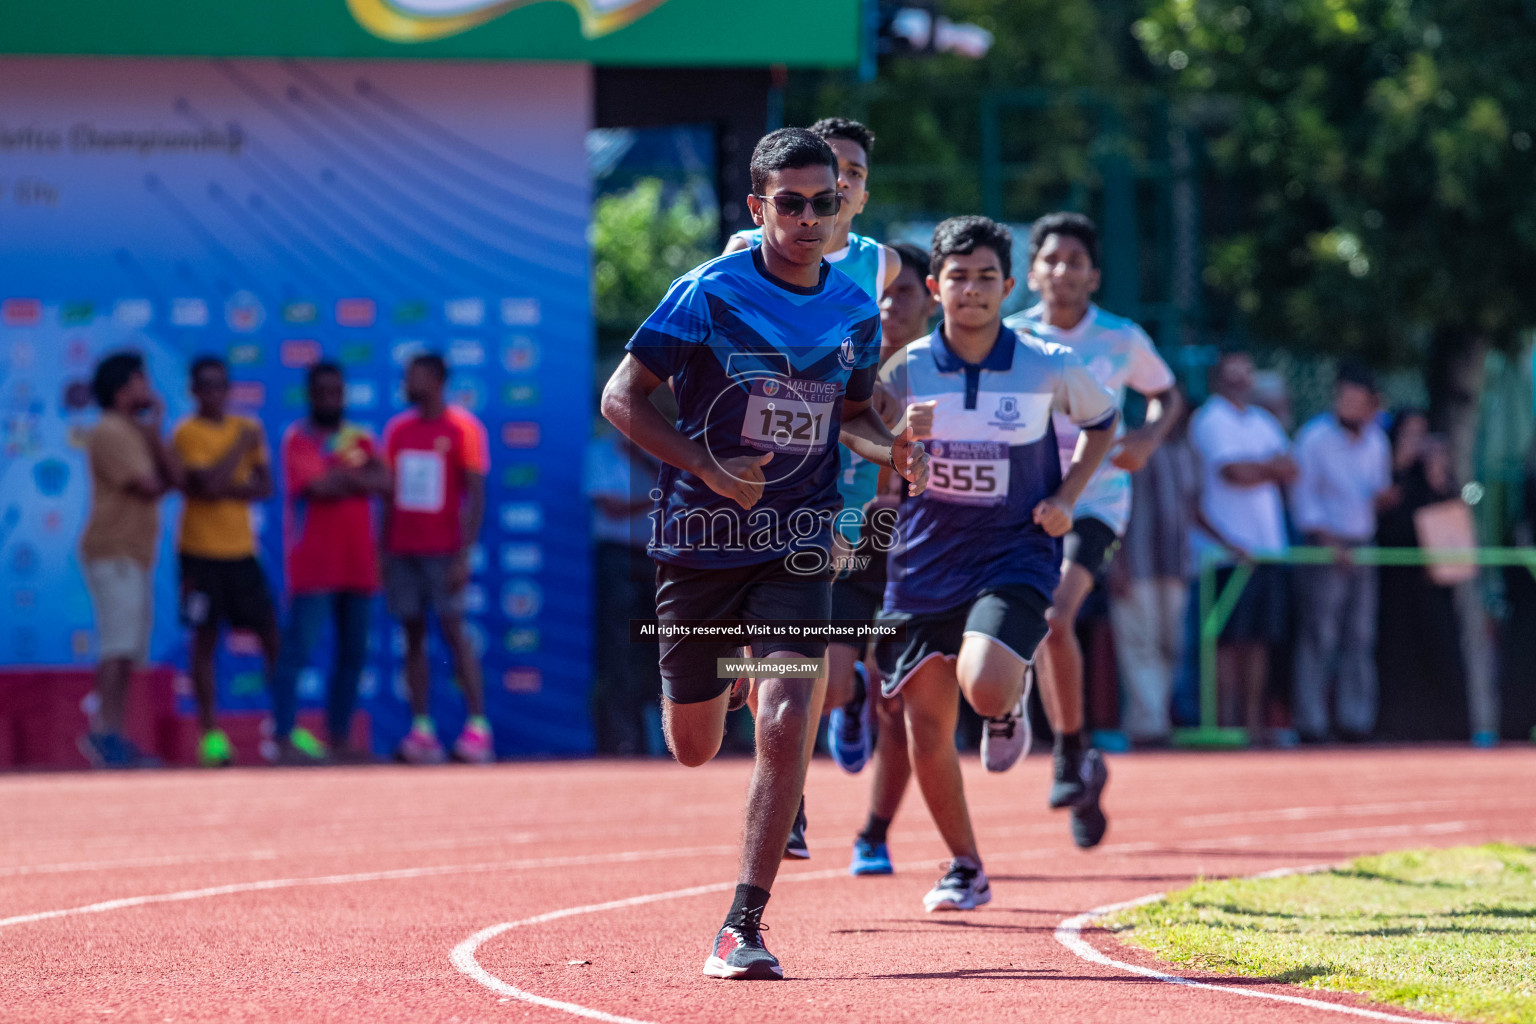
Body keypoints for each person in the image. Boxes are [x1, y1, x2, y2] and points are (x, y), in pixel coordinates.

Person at [600, 127, 925, 980]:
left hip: (800, 536)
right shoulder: (706, 292)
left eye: (826, 202)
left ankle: (743, 922)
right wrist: (706, 465)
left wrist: (890, 449)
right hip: (702, 538)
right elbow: (621, 399)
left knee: (789, 717)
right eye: (791, 203)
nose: (810, 217)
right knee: (695, 745)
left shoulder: (855, 310)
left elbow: (851, 415)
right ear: (758, 208)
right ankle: (730, 671)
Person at [877, 216, 1117, 913]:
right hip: (922, 562)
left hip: (1013, 551)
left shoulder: (1046, 362)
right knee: (925, 722)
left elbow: (1103, 422)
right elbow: (877, 451)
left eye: (987, 277)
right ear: (934, 287)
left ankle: (1006, 702)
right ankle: (965, 866)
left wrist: (1068, 496)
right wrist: (901, 445)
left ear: (1009, 287)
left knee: (980, 687)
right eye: (958, 277)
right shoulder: (907, 367)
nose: (972, 290)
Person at [725, 118, 903, 853]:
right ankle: (789, 792)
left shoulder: (878, 264)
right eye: (821, 177)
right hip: (772, 469)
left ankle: (841, 707)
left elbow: (871, 372)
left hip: (850, 469)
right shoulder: (742, 255)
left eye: (850, 175)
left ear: (855, 193)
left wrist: (895, 440)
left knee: (820, 653)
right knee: (780, 643)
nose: (835, 188)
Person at [999, 212, 1182, 848]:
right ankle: (1082, 762)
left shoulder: (1121, 338)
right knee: (1025, 624)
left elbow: (1165, 393)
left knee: (1054, 616)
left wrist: (1150, 438)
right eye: (1051, 260)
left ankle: (1067, 754)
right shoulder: (1010, 336)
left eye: (1075, 261)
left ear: (1093, 274)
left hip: (1098, 499)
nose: (1062, 271)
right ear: (1031, 272)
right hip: (1024, 501)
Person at [847, 240, 940, 877]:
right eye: (881, 291)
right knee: (806, 678)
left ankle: (874, 832)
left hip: (915, 554)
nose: (888, 303)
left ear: (929, 297)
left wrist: (908, 506)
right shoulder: (832, 360)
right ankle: (842, 696)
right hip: (836, 548)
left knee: (899, 701)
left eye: (903, 291)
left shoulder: (945, 375)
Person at [271, 363, 390, 764]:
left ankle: (339, 739)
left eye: (336, 391)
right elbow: (318, 487)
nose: (330, 399)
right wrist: (354, 474)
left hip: (359, 564)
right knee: (297, 653)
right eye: (322, 391)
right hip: (314, 567)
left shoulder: (358, 436)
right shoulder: (298, 439)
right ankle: (283, 738)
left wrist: (343, 475)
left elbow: (384, 482)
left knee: (352, 656)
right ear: (310, 395)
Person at [382, 353, 493, 765]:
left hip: (444, 553)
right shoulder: (397, 430)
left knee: (453, 634)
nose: (408, 382)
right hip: (403, 551)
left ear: (436, 380)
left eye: (415, 376)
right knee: (411, 636)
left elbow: (476, 496)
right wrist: (383, 551)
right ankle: (422, 730)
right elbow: (390, 497)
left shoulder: (464, 428)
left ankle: (478, 728)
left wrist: (463, 556)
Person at [173, 356, 279, 768]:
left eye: (221, 384)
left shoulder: (249, 429)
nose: (215, 392)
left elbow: (264, 486)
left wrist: (222, 484)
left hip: (241, 551)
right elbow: (210, 486)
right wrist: (238, 450)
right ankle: (210, 736)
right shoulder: (188, 433)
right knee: (204, 640)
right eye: (206, 385)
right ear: (194, 391)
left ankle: (281, 727)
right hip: (199, 554)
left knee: (271, 636)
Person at [77, 351, 180, 768]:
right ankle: (103, 734)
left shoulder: (132, 431)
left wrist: (154, 430)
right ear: (124, 388)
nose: (149, 389)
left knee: (126, 650)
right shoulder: (112, 430)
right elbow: (152, 484)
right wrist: (154, 429)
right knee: (117, 647)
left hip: (132, 554)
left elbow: (174, 478)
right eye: (142, 381)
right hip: (113, 552)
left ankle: (112, 735)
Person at [1188, 351, 1296, 736]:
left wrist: (1259, 469)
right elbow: (1233, 472)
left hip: (1267, 550)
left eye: (1246, 372)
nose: (1240, 379)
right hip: (1225, 554)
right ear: (1218, 377)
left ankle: (1252, 723)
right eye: (1232, 372)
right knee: (1228, 642)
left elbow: (1291, 469)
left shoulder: (1263, 421)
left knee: (1260, 640)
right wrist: (1269, 468)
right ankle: (1225, 722)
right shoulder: (1210, 418)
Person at [1289, 364, 1392, 742]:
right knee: (1320, 634)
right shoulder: (1314, 438)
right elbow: (1304, 500)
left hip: (1363, 544)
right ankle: (1311, 722)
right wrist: (1331, 545)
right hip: (1323, 547)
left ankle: (1356, 720)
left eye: (1357, 400)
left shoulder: (1376, 441)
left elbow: (1375, 495)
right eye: (1343, 398)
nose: (1348, 406)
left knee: (1360, 636)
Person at [1106, 397, 1199, 746]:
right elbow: (1110, 508)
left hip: (1174, 565)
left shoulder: (1184, 452)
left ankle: (1159, 716)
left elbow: (1192, 508)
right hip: (1136, 564)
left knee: (1170, 645)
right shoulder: (1126, 447)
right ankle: (1147, 725)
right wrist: (1116, 564)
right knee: (1139, 643)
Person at [1374, 414, 1469, 740]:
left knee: (1443, 653)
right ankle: (1397, 728)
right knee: (1398, 657)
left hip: (1435, 583)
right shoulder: (1386, 472)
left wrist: (1438, 476)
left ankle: (1451, 730)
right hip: (1397, 583)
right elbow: (1381, 516)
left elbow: (1462, 506)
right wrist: (1398, 467)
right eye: (1409, 434)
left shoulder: (1438, 477)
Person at [585, 422, 665, 754]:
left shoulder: (664, 447)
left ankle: (674, 738)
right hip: (618, 559)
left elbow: (685, 488)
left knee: (664, 651)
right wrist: (657, 496)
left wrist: (645, 458)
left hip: (661, 560)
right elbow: (611, 508)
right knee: (621, 650)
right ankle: (625, 740)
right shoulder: (600, 451)